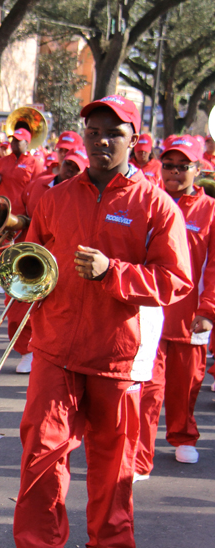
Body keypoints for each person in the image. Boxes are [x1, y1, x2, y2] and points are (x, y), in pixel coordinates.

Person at [2, 96, 192, 548]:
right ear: (83, 137)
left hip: (117, 351)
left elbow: (175, 280)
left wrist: (116, 274)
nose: (102, 141)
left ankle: (109, 541)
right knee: (42, 449)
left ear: (134, 139)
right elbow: (34, 262)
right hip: (57, 346)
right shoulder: (56, 196)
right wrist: (20, 308)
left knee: (113, 454)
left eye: (114, 133)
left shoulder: (155, 204)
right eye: (94, 132)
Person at [135, 136, 215, 480]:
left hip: (190, 317)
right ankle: (140, 455)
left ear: (198, 169)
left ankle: (183, 435)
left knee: (186, 386)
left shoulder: (210, 210)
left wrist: (208, 310)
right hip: (152, 313)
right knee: (149, 389)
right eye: (168, 165)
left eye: (183, 166)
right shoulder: (149, 202)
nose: (174, 172)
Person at [0, 127, 43, 372]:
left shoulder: (36, 163)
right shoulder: (1, 161)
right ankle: (24, 347)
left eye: (19, 141)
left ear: (28, 143)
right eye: (12, 140)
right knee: (11, 291)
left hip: (27, 227)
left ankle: (32, 349)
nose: (14, 144)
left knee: (29, 294)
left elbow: (39, 196)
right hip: (7, 226)